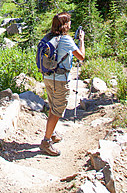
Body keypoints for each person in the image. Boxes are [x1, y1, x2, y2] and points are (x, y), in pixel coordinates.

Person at [40, 12, 85, 157]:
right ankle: (46, 142)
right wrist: (81, 40)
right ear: (65, 25)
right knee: (57, 110)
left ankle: (51, 133)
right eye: (69, 22)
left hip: (48, 77)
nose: (70, 24)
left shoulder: (48, 37)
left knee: (53, 106)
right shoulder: (66, 40)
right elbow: (81, 57)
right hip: (60, 80)